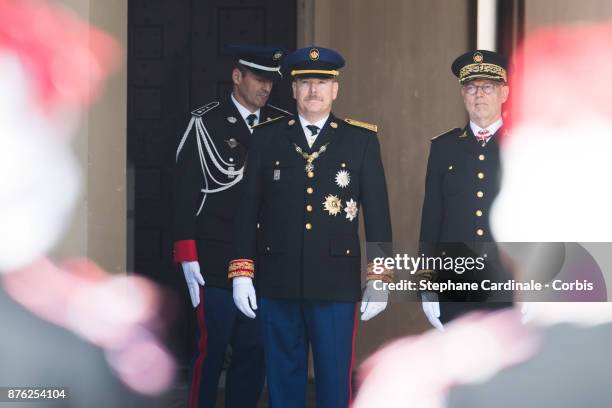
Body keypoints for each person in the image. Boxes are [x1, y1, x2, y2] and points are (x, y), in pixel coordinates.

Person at [228, 46, 393, 407]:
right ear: (293, 90)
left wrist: (379, 278)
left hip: (336, 282)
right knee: (283, 379)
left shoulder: (360, 140)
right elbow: (247, 209)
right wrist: (242, 271)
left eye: (322, 82)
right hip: (277, 279)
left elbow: (378, 215)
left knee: (335, 381)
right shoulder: (267, 137)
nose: (314, 90)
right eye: (305, 83)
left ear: (336, 89)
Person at [172, 45, 291, 408]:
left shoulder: (282, 124)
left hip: (262, 258)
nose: (266, 87)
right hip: (216, 254)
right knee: (212, 347)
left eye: (271, 80)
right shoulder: (205, 121)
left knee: (254, 351)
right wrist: (187, 253)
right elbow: (184, 193)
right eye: (258, 78)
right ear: (237, 77)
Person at [417, 50, 513, 329]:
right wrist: (426, 282)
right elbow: (431, 219)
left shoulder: (523, 146)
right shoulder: (443, 148)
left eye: (488, 87)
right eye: (471, 88)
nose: (479, 95)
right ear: (463, 95)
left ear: (504, 93)